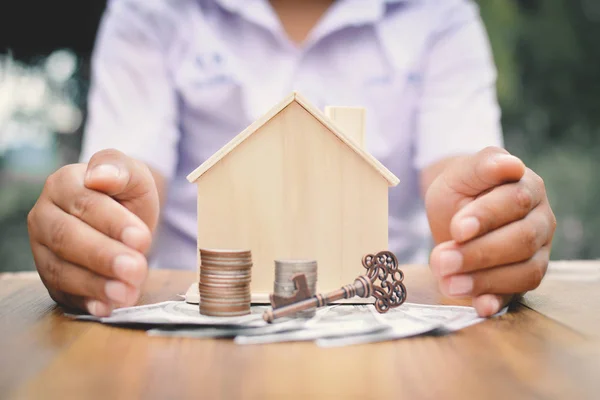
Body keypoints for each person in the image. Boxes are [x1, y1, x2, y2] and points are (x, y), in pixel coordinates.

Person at [27, 0, 556, 318]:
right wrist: (103, 222)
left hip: (376, 310)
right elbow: (126, 179)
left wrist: (479, 220)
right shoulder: (151, 11)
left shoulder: (440, 13)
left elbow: (461, 176)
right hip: (200, 309)